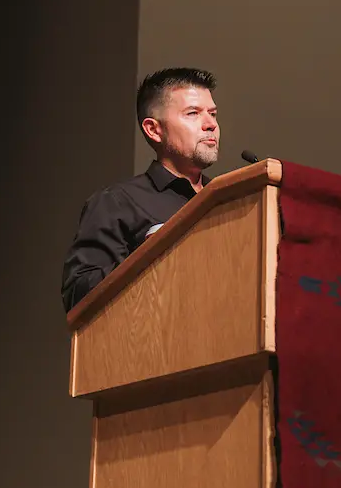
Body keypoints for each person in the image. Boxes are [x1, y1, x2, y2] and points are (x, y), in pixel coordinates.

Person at [60, 67, 221, 312]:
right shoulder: (117, 202)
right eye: (192, 113)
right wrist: (149, 260)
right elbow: (78, 292)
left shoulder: (225, 199)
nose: (210, 124)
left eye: (213, 113)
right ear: (154, 129)